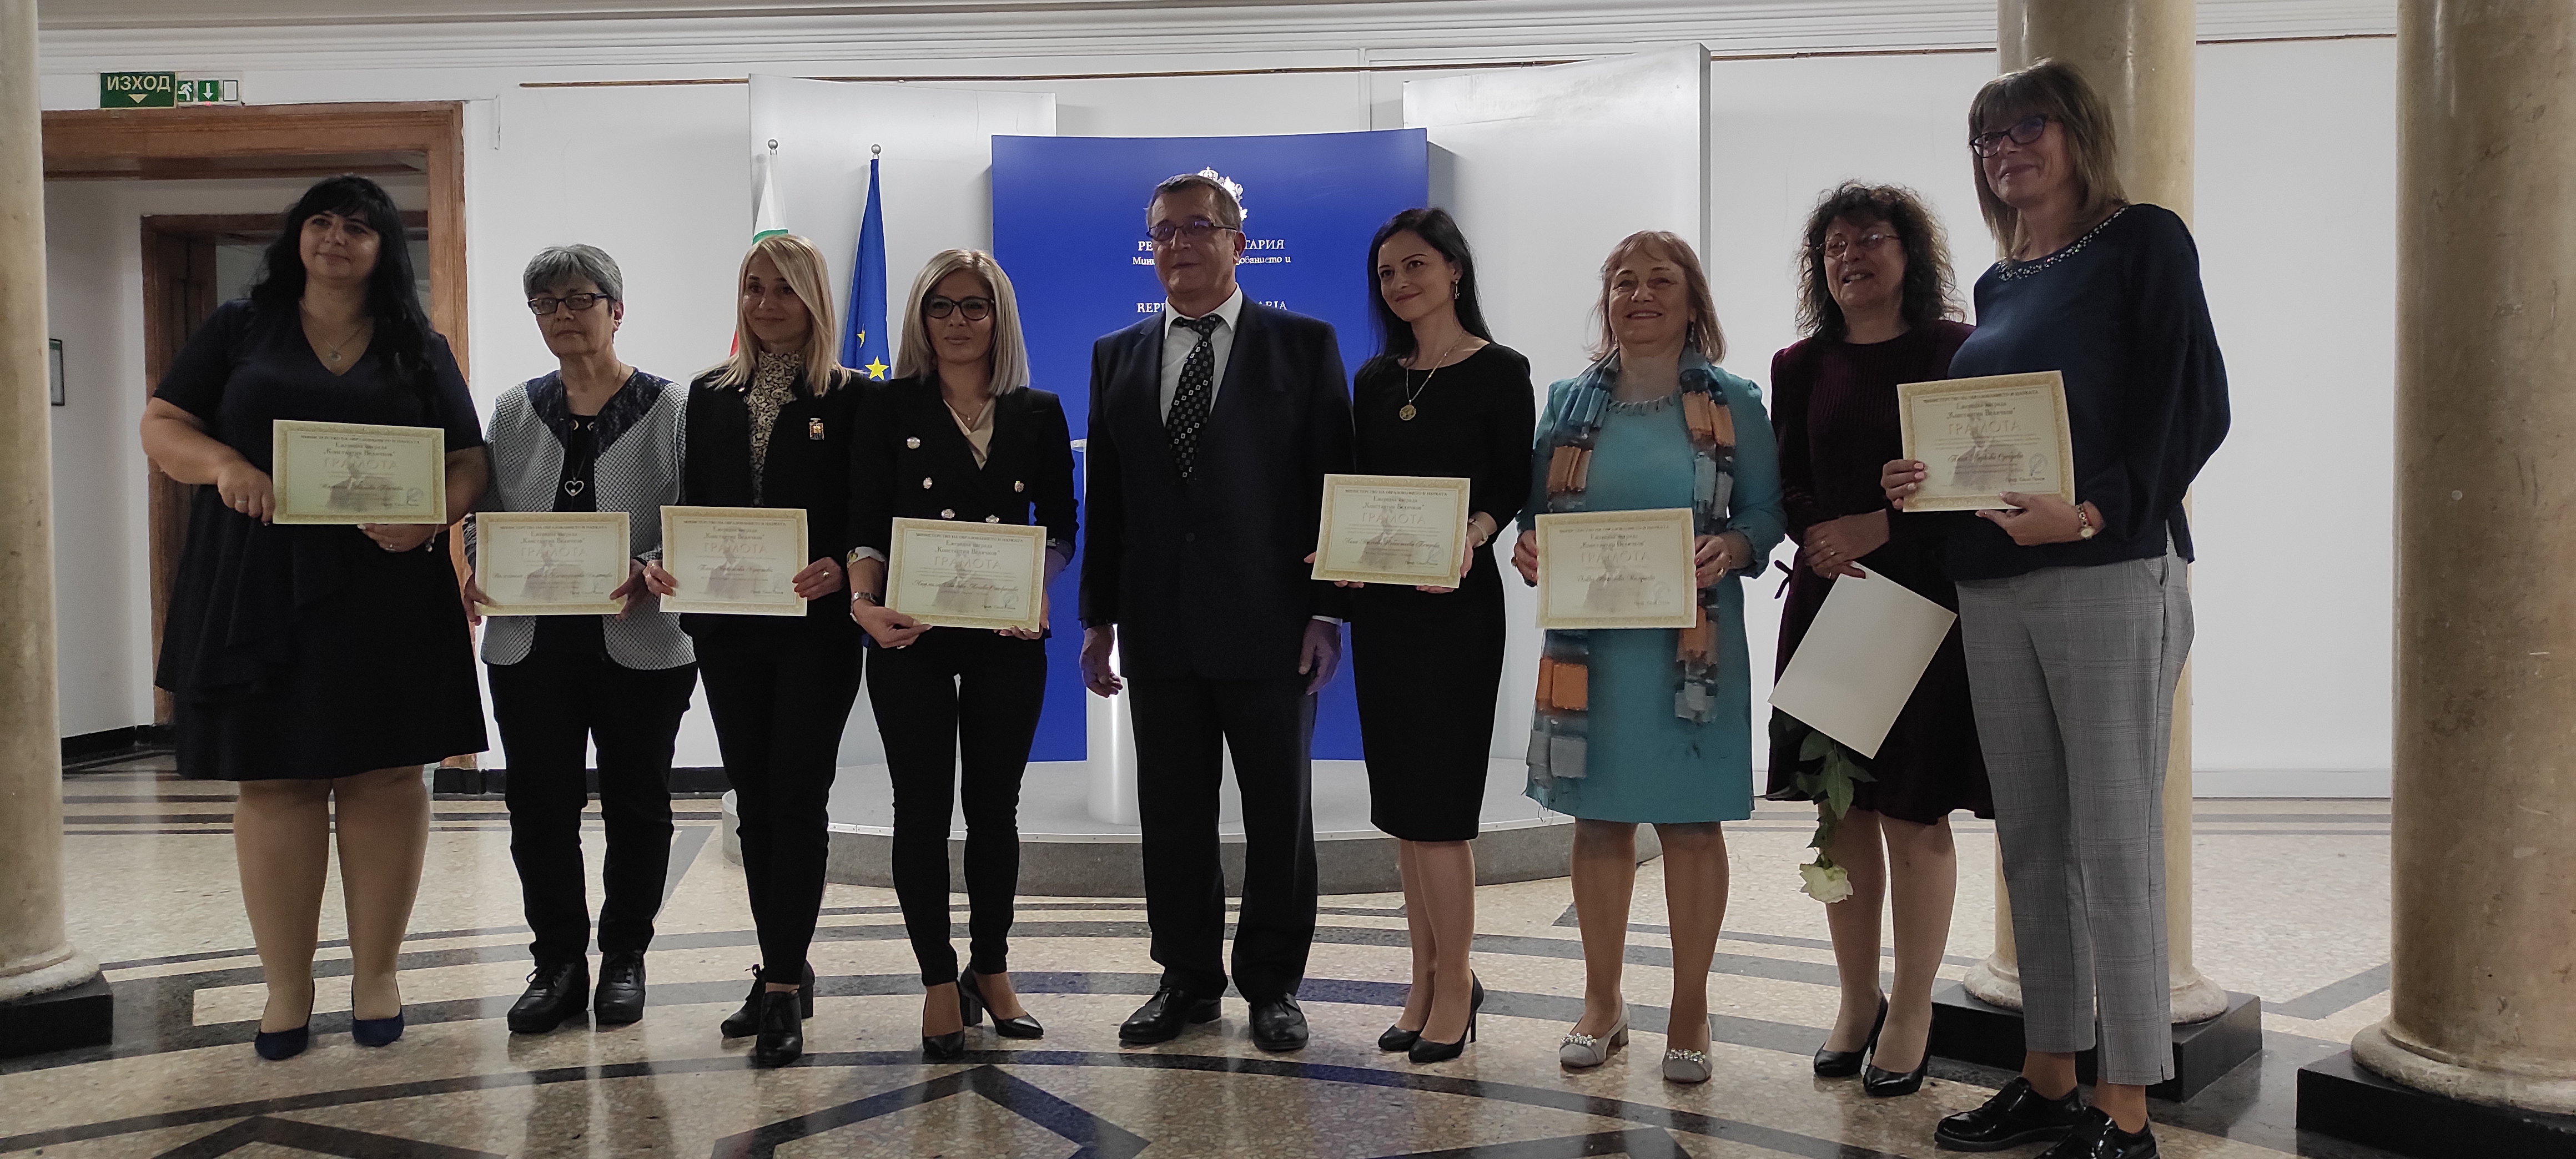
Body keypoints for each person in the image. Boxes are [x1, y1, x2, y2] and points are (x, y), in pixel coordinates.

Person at [1884, 59, 2227, 1159]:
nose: (2006, 150)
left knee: (2115, 843)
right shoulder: (2000, 284)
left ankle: (2125, 1111)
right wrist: (1923, 480)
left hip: (2106, 569)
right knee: (2033, 841)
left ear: (2079, 132)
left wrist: (2088, 513)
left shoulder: (2143, 242)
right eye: (1987, 138)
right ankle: (2048, 1077)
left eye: (2027, 127)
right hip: (1997, 583)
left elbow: (2194, 406)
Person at [140, 174, 489, 1060]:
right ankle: (286, 989)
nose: (336, 238)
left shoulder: (420, 345)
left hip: (388, 584)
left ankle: (378, 977)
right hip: (257, 581)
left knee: (386, 778)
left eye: (358, 227)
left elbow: (469, 460)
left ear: (384, 248)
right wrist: (224, 466)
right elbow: (163, 423)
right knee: (276, 781)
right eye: (322, 222)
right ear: (297, 235)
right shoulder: (239, 327)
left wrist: (432, 517)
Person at [1079, 172, 1355, 1053]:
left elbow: (1333, 485)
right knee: (1172, 816)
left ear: (1238, 242)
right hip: (1158, 627)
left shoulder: (1304, 345)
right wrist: (1098, 619)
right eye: (1163, 231)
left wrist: (1327, 612)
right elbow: (1108, 498)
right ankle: (1187, 980)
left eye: (1198, 227)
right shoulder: (1116, 354)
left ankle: (1273, 985)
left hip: (1273, 625)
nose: (1179, 244)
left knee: (1279, 816)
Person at [1510, 230, 1783, 1085]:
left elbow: (1766, 515)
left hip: (1692, 654)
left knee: (1691, 828)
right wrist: (1529, 545)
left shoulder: (1734, 400)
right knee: (1599, 824)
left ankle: (1690, 1007)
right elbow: (1534, 511)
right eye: (1624, 282)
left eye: (1661, 280)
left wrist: (1732, 548)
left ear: (1692, 300)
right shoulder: (1568, 402)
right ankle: (1603, 1002)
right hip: (1592, 654)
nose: (1640, 295)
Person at [1764, 183, 1989, 1097]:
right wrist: (1818, 533)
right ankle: (1857, 998)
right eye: (1834, 247)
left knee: (1913, 812)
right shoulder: (1798, 364)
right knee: (1841, 812)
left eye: (1870, 240)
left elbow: (1976, 473)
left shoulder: (1955, 349)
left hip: (1923, 608)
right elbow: (1786, 479)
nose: (1850, 258)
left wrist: (1878, 528)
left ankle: (1914, 1008)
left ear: (1910, 253)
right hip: (1831, 605)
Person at [641, 234, 865, 1069]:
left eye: (784, 289)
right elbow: (694, 504)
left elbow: (866, 509)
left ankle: (779, 987)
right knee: (757, 801)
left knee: (797, 800)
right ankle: (783, 965)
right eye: (754, 287)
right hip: (729, 630)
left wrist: (843, 562)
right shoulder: (707, 394)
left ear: (815, 299)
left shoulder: (854, 398)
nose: (767, 304)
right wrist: (664, 561)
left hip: (815, 631)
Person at [847, 249, 1076, 1061]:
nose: (957, 321)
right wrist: (863, 605)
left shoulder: (1038, 411)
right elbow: (864, 522)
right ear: (921, 317)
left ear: (999, 316)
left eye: (975, 306)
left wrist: (1039, 587)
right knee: (919, 810)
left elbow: (1061, 527)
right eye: (940, 306)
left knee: (994, 810)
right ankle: (938, 979)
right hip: (908, 635)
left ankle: (992, 967)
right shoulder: (886, 405)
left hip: (1005, 638)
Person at [466, 244, 696, 1035]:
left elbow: (697, 511)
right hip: (530, 645)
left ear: (616, 310)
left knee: (639, 804)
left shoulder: (671, 407)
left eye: (579, 299)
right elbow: (484, 509)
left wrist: (653, 563)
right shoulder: (513, 409)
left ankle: (625, 956)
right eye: (546, 303)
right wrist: (478, 564)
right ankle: (558, 963)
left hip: (642, 640)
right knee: (539, 807)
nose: (562, 314)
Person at [1341, 208, 1531, 1065]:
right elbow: (1353, 486)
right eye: (1387, 273)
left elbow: (1511, 479)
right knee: (1403, 812)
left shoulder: (1501, 370)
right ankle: (1421, 979)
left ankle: (1457, 982)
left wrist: (1477, 533)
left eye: (1415, 265)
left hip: (1457, 608)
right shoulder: (1376, 379)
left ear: (1455, 269)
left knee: (1442, 810)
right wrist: (1341, 553)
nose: (1400, 283)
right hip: (1385, 611)